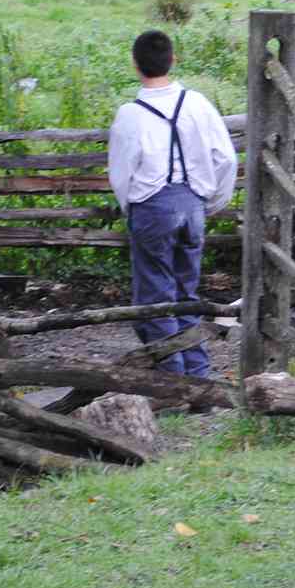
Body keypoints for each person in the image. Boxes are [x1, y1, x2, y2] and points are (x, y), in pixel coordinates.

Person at [107, 29, 238, 384]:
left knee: (156, 296)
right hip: (192, 202)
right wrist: (212, 201)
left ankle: (172, 380)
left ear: (136, 65)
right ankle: (198, 376)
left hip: (152, 207)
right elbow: (225, 158)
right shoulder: (197, 104)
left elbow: (120, 173)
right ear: (173, 60)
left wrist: (129, 208)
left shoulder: (130, 115)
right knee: (186, 292)